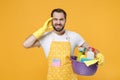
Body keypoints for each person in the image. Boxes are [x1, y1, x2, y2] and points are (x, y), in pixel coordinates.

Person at [23, 8, 103, 80]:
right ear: (51, 21)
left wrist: (98, 54)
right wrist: (42, 30)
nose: (58, 22)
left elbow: (91, 49)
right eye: (55, 19)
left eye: (61, 19)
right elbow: (26, 44)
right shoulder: (45, 37)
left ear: (65, 20)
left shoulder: (74, 36)